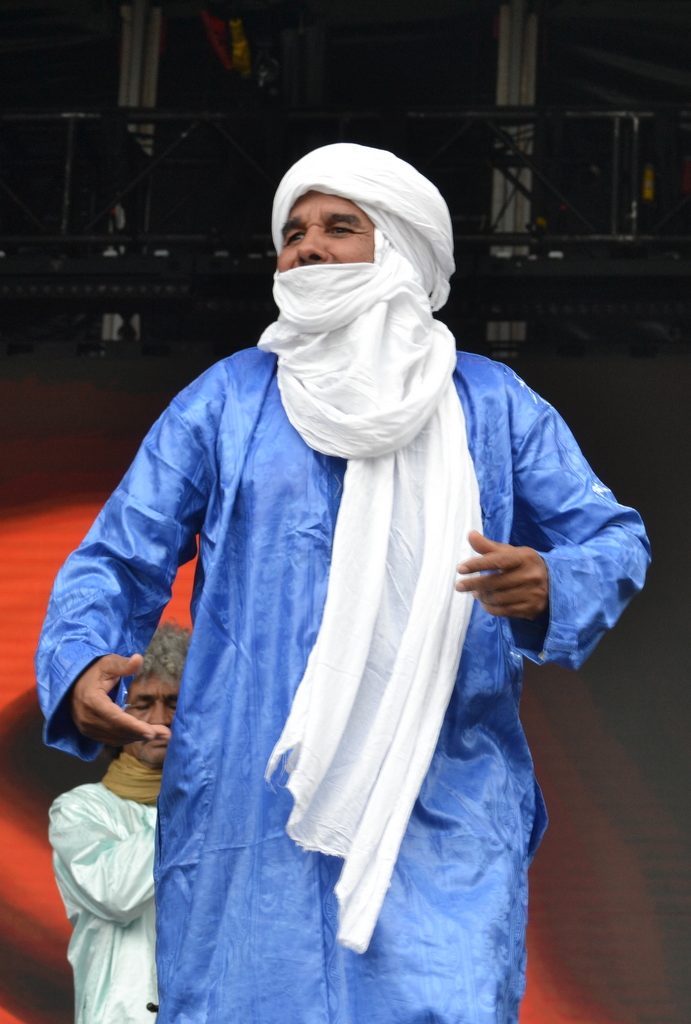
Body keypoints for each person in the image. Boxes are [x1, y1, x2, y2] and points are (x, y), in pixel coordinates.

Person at [37, 144, 649, 1024]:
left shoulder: (489, 402)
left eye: (338, 228)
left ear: (397, 245)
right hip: (250, 800)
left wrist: (556, 579)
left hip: (440, 800)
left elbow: (612, 538)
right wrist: (84, 653)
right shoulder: (229, 399)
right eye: (293, 234)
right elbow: (118, 553)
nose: (307, 248)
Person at [48, 622, 190, 1024]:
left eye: (174, 702)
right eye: (142, 703)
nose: (160, 719)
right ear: (111, 716)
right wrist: (190, 797)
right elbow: (117, 893)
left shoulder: (223, 809)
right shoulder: (79, 810)